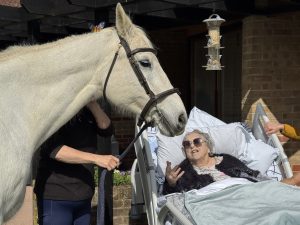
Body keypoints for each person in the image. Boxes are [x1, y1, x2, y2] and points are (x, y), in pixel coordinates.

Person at [34, 100, 120, 225]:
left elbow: (107, 129)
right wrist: (97, 158)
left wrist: (92, 104)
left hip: (83, 195)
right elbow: (55, 151)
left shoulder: (87, 111)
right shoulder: (54, 110)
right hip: (56, 196)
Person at [163, 129, 300, 194]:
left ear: (208, 146)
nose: (192, 146)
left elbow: (252, 176)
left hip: (248, 192)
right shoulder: (181, 171)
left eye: (197, 141)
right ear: (184, 151)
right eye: (187, 144)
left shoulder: (226, 159)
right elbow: (177, 198)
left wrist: (273, 186)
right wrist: (170, 183)